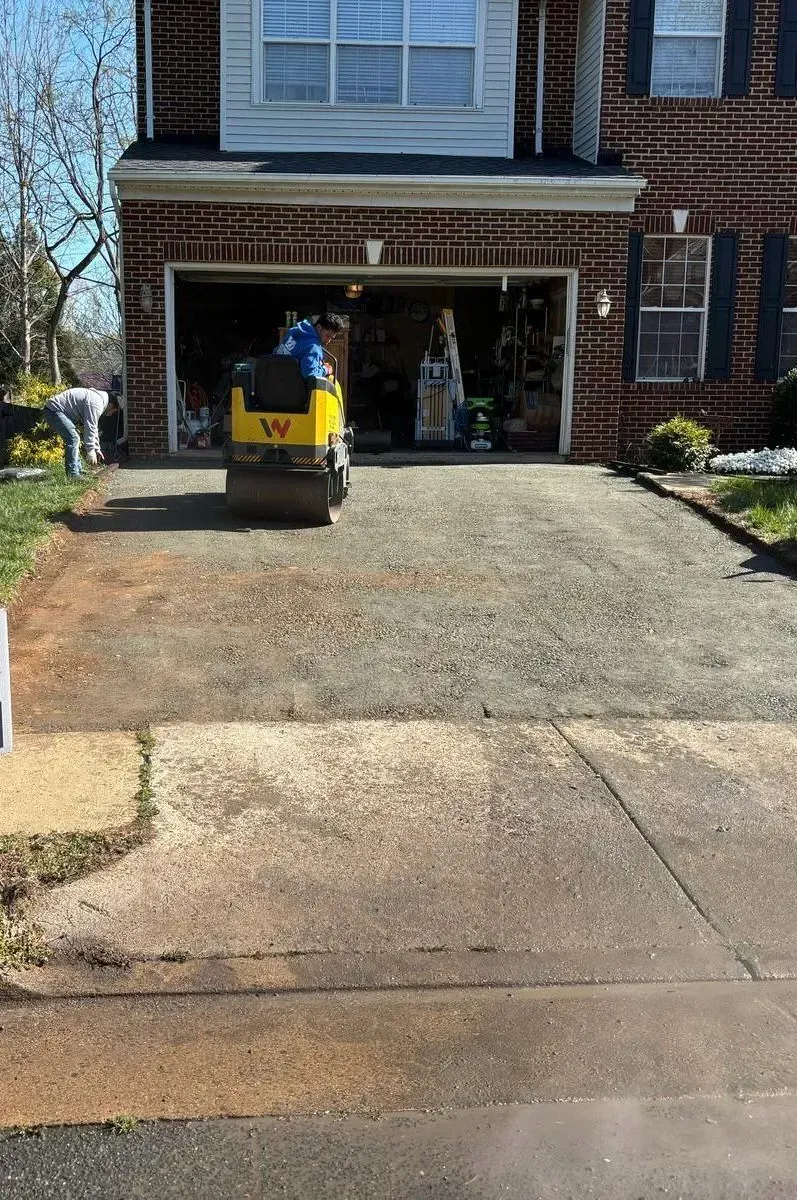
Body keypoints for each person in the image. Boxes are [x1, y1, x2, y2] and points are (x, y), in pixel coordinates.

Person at [42, 387, 122, 478]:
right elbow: (90, 427)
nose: (111, 414)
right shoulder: (96, 404)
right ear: (111, 405)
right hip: (54, 411)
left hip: (59, 412)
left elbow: (93, 427)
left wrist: (96, 448)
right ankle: (72, 474)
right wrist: (91, 451)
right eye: (114, 411)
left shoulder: (98, 400)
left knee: (75, 437)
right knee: (73, 438)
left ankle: (77, 470)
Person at [274, 313, 345, 380]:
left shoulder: (294, 330)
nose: (329, 341)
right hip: (290, 386)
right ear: (319, 327)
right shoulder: (313, 346)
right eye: (327, 336)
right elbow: (310, 374)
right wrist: (325, 369)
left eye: (331, 338)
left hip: (272, 378)